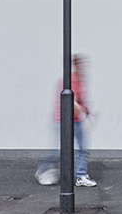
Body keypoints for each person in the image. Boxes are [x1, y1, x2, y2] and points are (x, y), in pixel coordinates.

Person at [36, 54, 94, 187]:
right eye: (81, 65)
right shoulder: (69, 80)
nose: (83, 67)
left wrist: (87, 110)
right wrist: (82, 112)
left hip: (75, 120)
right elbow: (72, 101)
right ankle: (44, 169)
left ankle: (81, 176)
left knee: (83, 149)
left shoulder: (80, 80)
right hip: (62, 120)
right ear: (75, 65)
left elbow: (80, 99)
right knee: (59, 152)